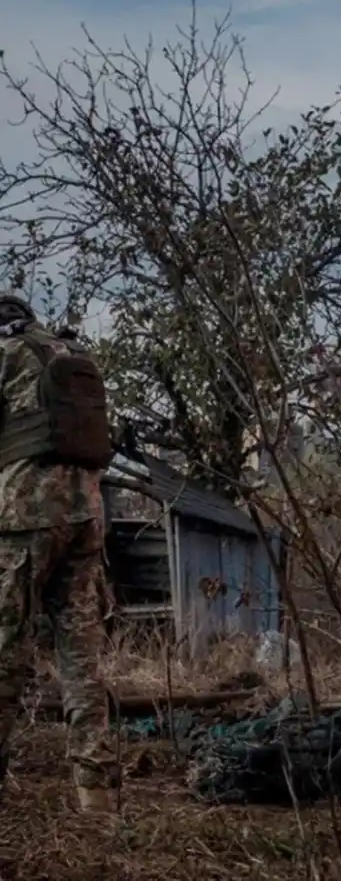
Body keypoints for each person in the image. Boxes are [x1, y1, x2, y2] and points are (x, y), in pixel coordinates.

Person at [0, 296, 119, 811]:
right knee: (81, 656)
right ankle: (96, 792)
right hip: (87, 515)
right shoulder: (70, 353)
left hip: (26, 515)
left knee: (5, 644)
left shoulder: (8, 353)